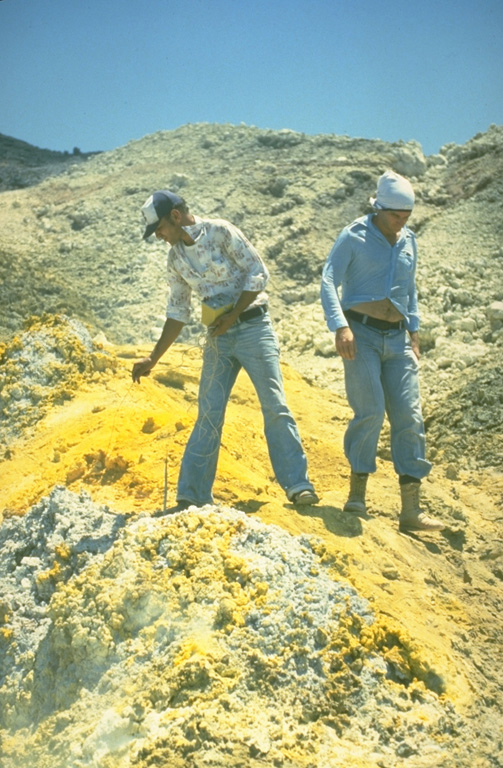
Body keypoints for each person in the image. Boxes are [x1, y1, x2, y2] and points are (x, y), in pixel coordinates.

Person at [132, 190, 318, 511]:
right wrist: (153, 358)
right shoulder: (175, 258)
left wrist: (233, 316)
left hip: (253, 329)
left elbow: (258, 273)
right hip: (218, 337)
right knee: (209, 412)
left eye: (159, 228)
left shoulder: (221, 231)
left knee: (274, 405)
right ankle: (193, 495)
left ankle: (298, 486)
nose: (159, 236)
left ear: (175, 217)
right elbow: (178, 310)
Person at [321, 170, 445, 532]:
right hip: (361, 336)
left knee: (409, 417)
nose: (400, 223)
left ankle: (411, 511)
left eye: (406, 218)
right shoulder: (354, 235)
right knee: (371, 411)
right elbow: (328, 278)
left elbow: (410, 288)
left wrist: (415, 328)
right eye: (395, 216)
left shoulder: (409, 240)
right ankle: (357, 494)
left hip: (398, 338)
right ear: (379, 208)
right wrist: (340, 326)